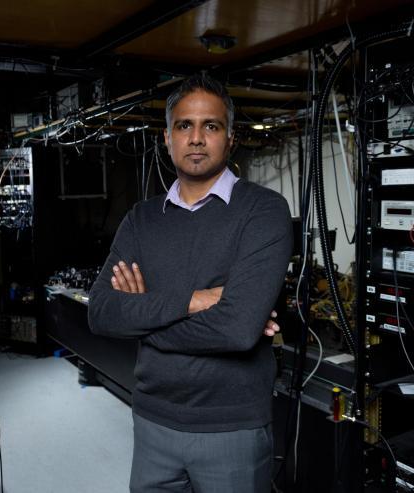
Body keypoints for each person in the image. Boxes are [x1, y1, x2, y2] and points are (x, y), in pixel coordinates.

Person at [88, 73, 293, 493]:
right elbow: (101, 312)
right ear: (167, 137)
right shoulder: (142, 219)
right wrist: (195, 300)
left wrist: (145, 319)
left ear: (230, 137)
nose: (196, 138)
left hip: (231, 428)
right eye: (185, 126)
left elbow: (237, 331)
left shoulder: (264, 212)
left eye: (210, 126)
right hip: (150, 421)